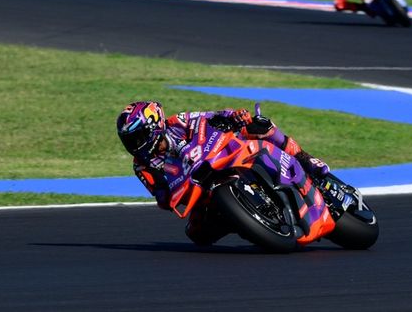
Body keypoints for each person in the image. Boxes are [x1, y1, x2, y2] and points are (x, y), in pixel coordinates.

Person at [116, 100, 332, 245]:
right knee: (196, 234)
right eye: (129, 141)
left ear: (154, 126)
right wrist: (169, 194)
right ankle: (242, 219)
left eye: (138, 137)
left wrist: (233, 117)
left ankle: (305, 159)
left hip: (221, 154)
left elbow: (214, 116)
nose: (134, 145)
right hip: (199, 188)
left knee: (259, 127)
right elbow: (161, 196)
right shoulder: (141, 166)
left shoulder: (179, 122)